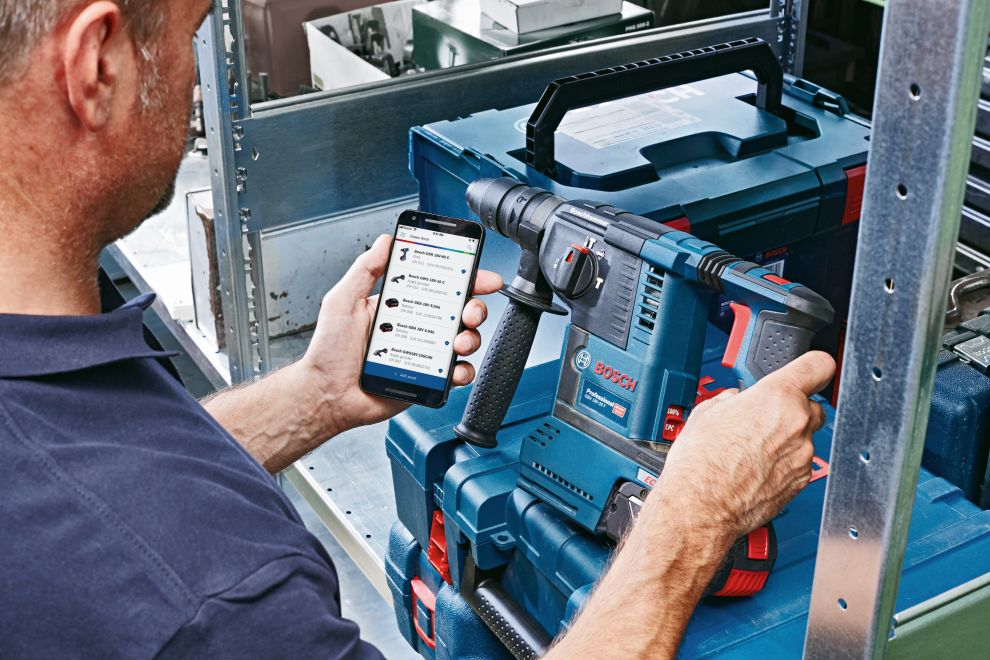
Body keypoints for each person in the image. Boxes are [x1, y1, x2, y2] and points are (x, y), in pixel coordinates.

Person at [0, 1, 835, 658]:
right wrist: (693, 517)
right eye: (191, 35)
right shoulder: (220, 606)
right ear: (97, 64)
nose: (189, 83)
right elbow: (124, 522)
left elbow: (102, 466)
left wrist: (311, 398)